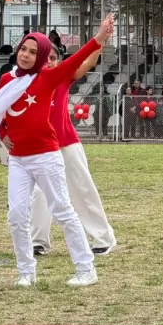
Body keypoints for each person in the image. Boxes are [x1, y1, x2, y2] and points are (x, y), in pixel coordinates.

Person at [0, 14, 114, 288]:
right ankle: (26, 271)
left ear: (44, 56)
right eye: (24, 48)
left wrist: (100, 38)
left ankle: (86, 268)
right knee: (16, 216)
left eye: (33, 52)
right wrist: (3, 134)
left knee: (62, 210)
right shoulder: (6, 80)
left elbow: (77, 59)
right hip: (18, 160)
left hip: (47, 155)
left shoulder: (49, 78)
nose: (25, 55)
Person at [31, 47, 117, 258]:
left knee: (82, 190)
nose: (49, 62)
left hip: (67, 144)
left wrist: (100, 42)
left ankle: (103, 238)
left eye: (53, 58)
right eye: (45, 58)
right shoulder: (28, 84)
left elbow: (87, 63)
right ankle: (37, 241)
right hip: (41, 148)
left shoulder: (61, 78)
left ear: (59, 62)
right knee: (39, 196)